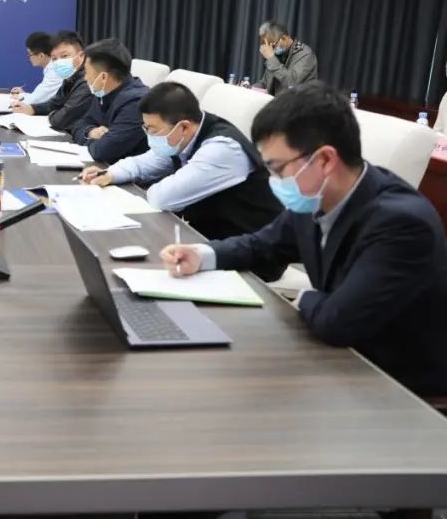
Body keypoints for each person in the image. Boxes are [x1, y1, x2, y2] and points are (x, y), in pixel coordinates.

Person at [160, 82, 447, 396]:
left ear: (324, 160)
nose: (275, 181)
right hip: (338, 359)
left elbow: (338, 322)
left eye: (278, 169)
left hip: (398, 385)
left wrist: (304, 298)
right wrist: (202, 255)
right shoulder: (316, 195)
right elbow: (261, 245)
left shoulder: (401, 223)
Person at [81, 81, 282, 240]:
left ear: (183, 127)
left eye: (152, 130)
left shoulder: (222, 149)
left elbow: (163, 197)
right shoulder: (187, 134)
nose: (149, 136)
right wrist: (110, 174)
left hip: (250, 251)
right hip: (210, 238)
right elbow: (150, 161)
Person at [67, 39, 149, 163]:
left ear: (103, 77)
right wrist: (90, 132)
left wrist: (88, 139)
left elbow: (103, 151)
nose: (85, 78)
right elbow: (78, 125)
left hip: (128, 172)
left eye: (87, 72)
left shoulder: (136, 103)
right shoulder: (103, 90)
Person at [11, 30, 95, 133]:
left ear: (81, 56)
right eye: (54, 58)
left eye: (65, 56)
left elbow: (62, 118)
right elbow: (54, 104)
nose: (59, 62)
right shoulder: (70, 77)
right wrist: (32, 109)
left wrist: (52, 113)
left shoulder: (88, 81)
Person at [254, 20, 317, 96]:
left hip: (297, 101)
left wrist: (271, 58)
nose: (271, 49)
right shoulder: (275, 56)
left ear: (284, 38)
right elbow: (265, 83)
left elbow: (292, 82)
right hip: (276, 101)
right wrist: (249, 88)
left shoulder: (305, 53)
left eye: (273, 46)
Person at [10, 31, 61, 106]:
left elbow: (36, 100)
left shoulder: (55, 72)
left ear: (41, 56)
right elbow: (40, 96)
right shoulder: (52, 68)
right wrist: (23, 95)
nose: (29, 57)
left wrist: (17, 101)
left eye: (29, 54)